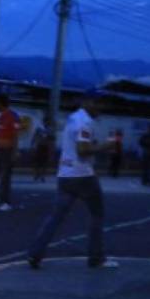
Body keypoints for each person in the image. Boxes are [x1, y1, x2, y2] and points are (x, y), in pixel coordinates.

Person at [28, 89, 117, 269]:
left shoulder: (74, 118)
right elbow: (82, 150)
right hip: (82, 175)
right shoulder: (85, 123)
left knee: (56, 217)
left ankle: (35, 254)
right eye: (98, 102)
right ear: (87, 102)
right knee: (97, 214)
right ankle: (96, 257)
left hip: (65, 175)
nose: (101, 106)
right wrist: (106, 146)